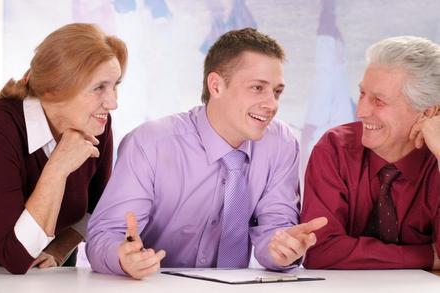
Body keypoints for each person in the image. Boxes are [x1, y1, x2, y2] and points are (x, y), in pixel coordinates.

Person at [86, 28, 327, 279]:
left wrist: (282, 250)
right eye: (258, 88)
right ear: (216, 85)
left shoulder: (281, 143)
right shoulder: (150, 144)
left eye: (277, 92)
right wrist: (123, 258)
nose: (272, 104)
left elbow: (276, 230)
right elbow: (104, 236)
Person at [0, 23, 127, 274]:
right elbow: (13, 257)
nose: (113, 103)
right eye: (99, 87)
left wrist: (58, 250)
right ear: (55, 88)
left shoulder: (98, 123)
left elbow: (97, 207)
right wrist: (58, 167)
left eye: (115, 85)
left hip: (49, 274)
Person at [300, 36, 440, 269]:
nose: (361, 111)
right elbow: (320, 250)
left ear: (427, 113)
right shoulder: (335, 149)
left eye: (379, 101)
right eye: (362, 94)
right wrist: (428, 257)